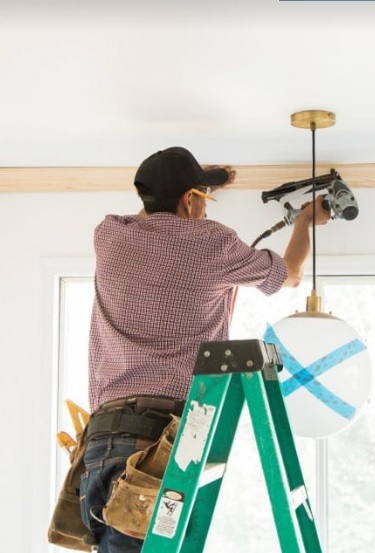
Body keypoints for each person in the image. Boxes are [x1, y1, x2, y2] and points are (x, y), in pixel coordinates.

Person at [79, 146, 331, 552]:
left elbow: (155, 220)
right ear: (189, 199)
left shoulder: (108, 236)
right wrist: (305, 221)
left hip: (102, 436)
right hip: (161, 437)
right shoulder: (211, 244)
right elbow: (292, 274)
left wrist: (195, 187)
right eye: (203, 198)